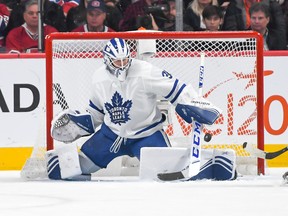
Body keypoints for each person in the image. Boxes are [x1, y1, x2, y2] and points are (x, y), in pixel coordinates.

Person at [46, 38, 230, 181]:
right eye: (117, 62)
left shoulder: (145, 71)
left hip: (147, 134)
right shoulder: (98, 78)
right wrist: (84, 122)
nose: (123, 65)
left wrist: (192, 103)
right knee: (73, 169)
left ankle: (211, 162)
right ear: (107, 61)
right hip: (111, 135)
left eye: (126, 59)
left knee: (165, 172)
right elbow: (97, 111)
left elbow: (176, 88)